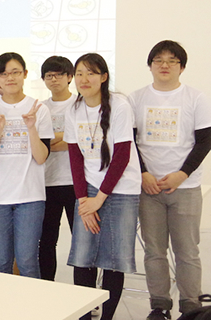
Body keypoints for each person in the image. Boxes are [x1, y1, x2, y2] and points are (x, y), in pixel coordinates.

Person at [129, 40, 211, 320]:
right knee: (154, 250)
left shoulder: (196, 97)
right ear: (150, 65)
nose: (164, 65)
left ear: (182, 67)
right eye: (158, 60)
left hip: (185, 187)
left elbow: (205, 141)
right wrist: (142, 174)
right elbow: (128, 142)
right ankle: (159, 306)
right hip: (148, 187)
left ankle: (191, 306)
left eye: (172, 60)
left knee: (187, 250)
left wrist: (181, 174)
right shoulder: (136, 98)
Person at [64, 53, 141, 320]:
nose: (84, 79)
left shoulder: (119, 105)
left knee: (113, 260)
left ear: (104, 77)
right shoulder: (73, 109)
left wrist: (100, 198)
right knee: (82, 257)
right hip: (89, 191)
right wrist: (84, 200)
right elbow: (74, 156)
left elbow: (121, 155)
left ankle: (106, 317)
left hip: (121, 191)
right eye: (80, 73)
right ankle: (85, 315)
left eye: (91, 73)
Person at [0, 52, 54, 278]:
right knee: (1, 262)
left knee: (28, 261)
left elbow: (41, 157)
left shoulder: (39, 109)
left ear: (25, 75)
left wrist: (31, 127)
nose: (9, 78)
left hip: (30, 197)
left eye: (15, 73)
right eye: (3, 74)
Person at [38, 56, 77, 281]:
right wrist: (65, 139)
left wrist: (52, 140)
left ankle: (85, 294)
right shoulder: (41, 108)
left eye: (59, 74)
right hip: (47, 182)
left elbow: (82, 139)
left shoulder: (80, 103)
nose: (54, 79)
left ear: (69, 77)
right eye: (49, 76)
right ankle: (47, 287)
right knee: (46, 240)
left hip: (76, 182)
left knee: (80, 240)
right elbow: (40, 143)